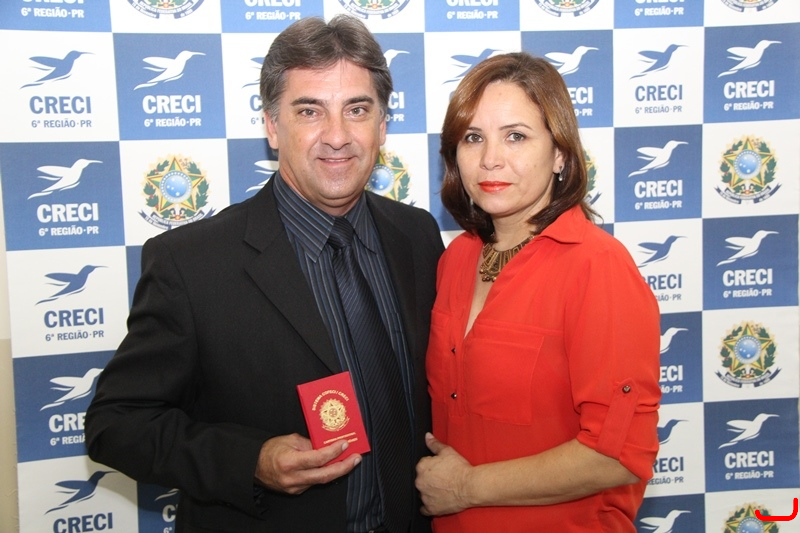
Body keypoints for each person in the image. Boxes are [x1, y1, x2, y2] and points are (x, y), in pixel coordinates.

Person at [85, 15, 443, 532]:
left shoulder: (417, 234)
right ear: (273, 127)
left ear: (382, 124)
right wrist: (250, 460)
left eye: (357, 109)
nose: (337, 136)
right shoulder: (191, 263)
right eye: (309, 111)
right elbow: (116, 424)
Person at [414, 52, 661, 532]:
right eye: (473, 138)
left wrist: (467, 487)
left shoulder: (597, 267)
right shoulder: (456, 258)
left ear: (560, 154)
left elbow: (618, 455)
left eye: (516, 136)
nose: (491, 158)